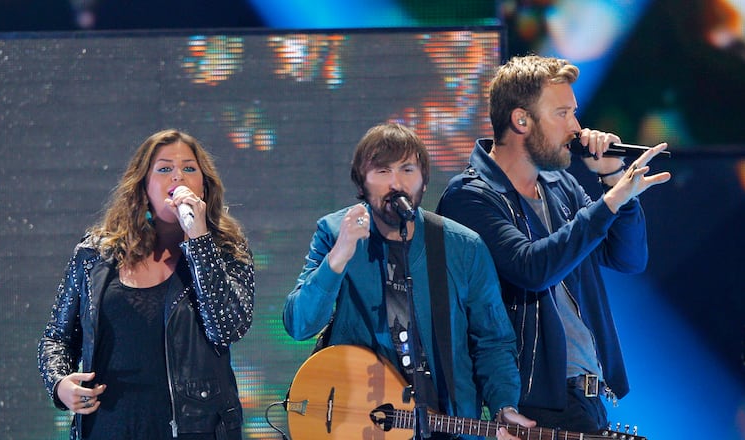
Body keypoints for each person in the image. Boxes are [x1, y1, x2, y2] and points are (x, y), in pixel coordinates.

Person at [436, 55, 672, 433]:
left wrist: (612, 181)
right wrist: (610, 202)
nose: (577, 128)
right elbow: (533, 268)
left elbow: (628, 258)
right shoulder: (470, 197)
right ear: (521, 120)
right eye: (562, 113)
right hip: (532, 406)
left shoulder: (560, 187)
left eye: (574, 113)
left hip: (588, 398)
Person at [283, 123, 535, 440]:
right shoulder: (334, 233)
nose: (396, 183)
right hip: (363, 424)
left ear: (423, 180)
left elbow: (493, 340)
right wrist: (339, 256)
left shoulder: (463, 247)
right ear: (361, 183)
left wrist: (504, 406)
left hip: (449, 426)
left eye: (407, 169)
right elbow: (299, 324)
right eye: (382, 171)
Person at [37, 129, 254, 440]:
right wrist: (60, 384)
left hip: (195, 427)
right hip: (108, 427)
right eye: (164, 168)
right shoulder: (94, 254)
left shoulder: (227, 250)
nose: (177, 177)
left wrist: (199, 240)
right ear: (143, 186)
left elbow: (228, 327)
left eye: (189, 168)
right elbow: (55, 339)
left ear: (204, 186)